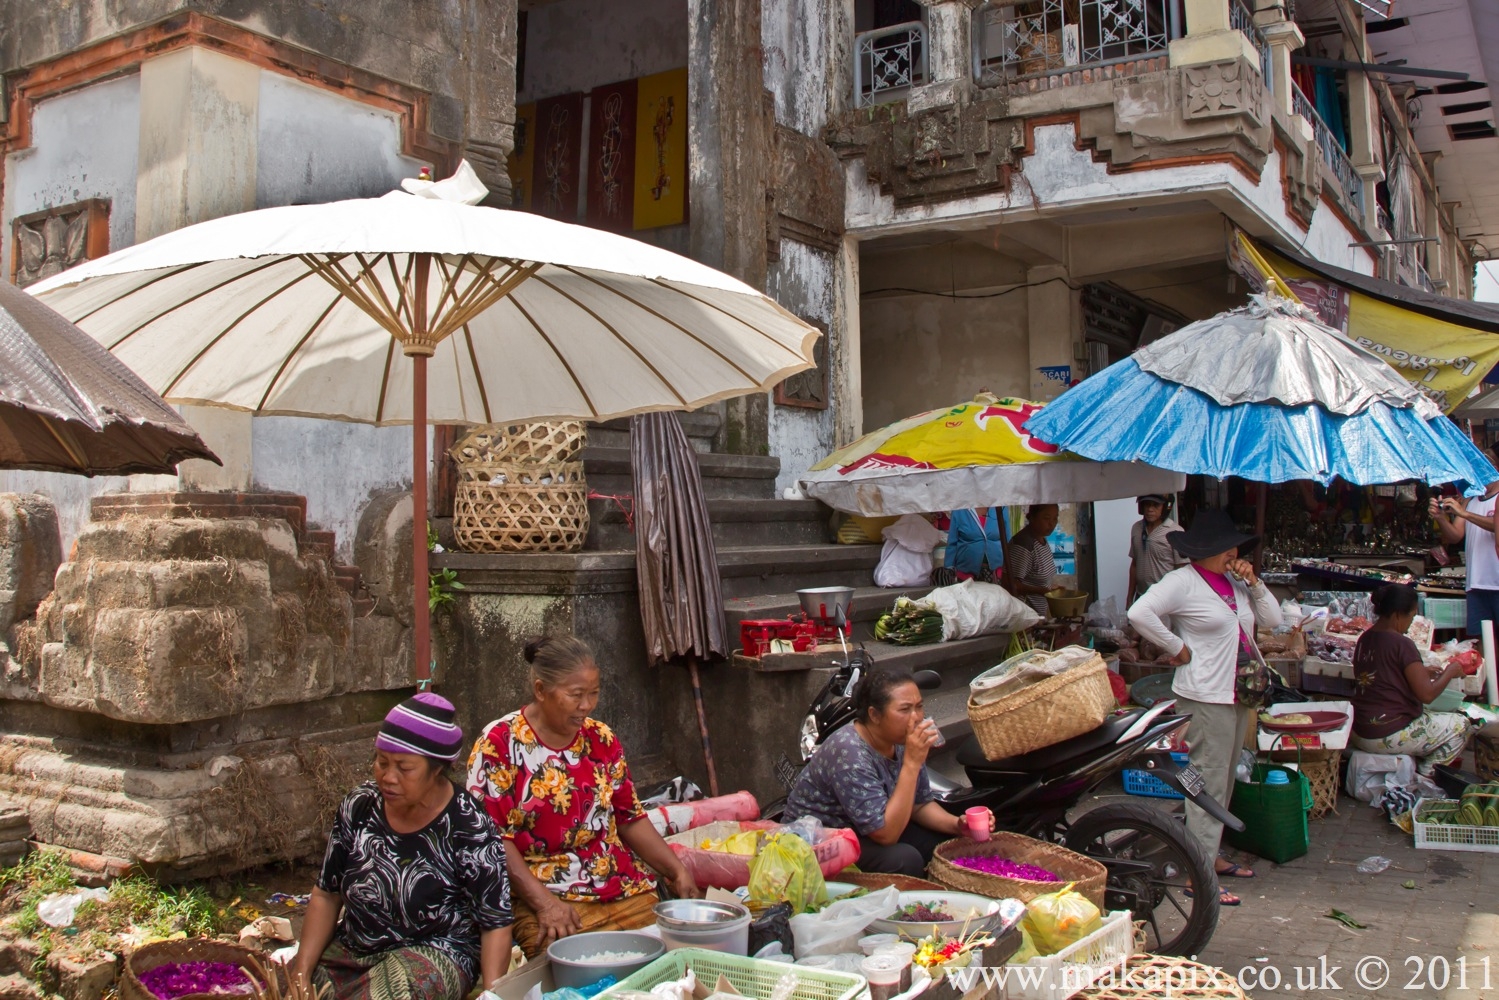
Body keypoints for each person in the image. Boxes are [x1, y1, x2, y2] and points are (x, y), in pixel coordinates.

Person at [467, 636, 700, 957]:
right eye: (575, 695)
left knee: (671, 956)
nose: (587, 705)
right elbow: (494, 841)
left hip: (617, 885)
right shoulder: (500, 743)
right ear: (540, 690)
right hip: (546, 896)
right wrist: (545, 904)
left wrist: (677, 870)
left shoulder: (601, 738)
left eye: (594, 693)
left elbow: (629, 818)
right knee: (573, 971)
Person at [292, 693, 512, 1000]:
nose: (387, 777)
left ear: (436, 769)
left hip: (434, 954)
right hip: (355, 949)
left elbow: (495, 923)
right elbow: (327, 895)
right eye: (382, 762)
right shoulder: (360, 806)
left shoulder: (468, 824)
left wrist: (492, 995)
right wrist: (300, 972)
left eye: (404, 768)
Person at [1127, 510, 1282, 907]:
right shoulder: (1182, 582)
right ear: (1212, 549)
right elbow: (1138, 613)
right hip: (1205, 695)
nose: (1236, 553)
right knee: (1208, 783)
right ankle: (1198, 873)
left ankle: (1210, 856)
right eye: (1230, 547)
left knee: (1224, 780)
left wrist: (1256, 583)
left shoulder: (1236, 582)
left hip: (1237, 694)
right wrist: (1176, 647)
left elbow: (1274, 620)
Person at [783, 668, 990, 877]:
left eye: (919, 707)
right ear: (874, 715)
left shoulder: (899, 739)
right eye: (905, 709)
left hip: (866, 829)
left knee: (941, 845)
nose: (917, 717)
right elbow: (885, 834)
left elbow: (919, 803)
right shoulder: (849, 752)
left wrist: (957, 825)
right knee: (904, 860)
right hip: (818, 842)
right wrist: (911, 763)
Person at [1350, 584, 1473, 774]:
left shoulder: (1365, 638)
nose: (1411, 623)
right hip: (1385, 733)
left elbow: (1384, 673)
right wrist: (1451, 671)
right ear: (1398, 614)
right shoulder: (1402, 643)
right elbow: (1427, 695)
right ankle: (1426, 777)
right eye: (1411, 617)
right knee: (1461, 725)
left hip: (1359, 729)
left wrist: (1422, 671)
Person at [1429, 469, 1499, 637]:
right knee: (1481, 639)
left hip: (1496, 581)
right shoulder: (1470, 498)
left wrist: (1465, 514)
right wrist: (1440, 518)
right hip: (1475, 582)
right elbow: (1455, 535)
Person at [1127, 495, 1186, 604]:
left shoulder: (1176, 532)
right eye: (1147, 504)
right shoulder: (1136, 528)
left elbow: (1182, 569)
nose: (1150, 509)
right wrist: (1130, 597)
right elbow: (1135, 565)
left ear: (1165, 507)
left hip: (1165, 598)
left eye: (1156, 505)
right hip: (1141, 595)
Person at [1007, 504, 1060, 616]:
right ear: (1032, 517)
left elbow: (1035, 577)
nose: (1052, 523)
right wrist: (1041, 591)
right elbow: (1010, 585)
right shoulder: (1023, 545)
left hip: (1037, 617)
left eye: (1055, 518)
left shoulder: (1042, 541)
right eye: (1046, 518)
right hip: (1024, 617)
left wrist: (1052, 588)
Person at [932, 507, 1004, 587]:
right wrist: (948, 570)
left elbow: (1007, 539)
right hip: (966, 570)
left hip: (995, 570)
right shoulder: (959, 510)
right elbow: (952, 543)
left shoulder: (1000, 508)